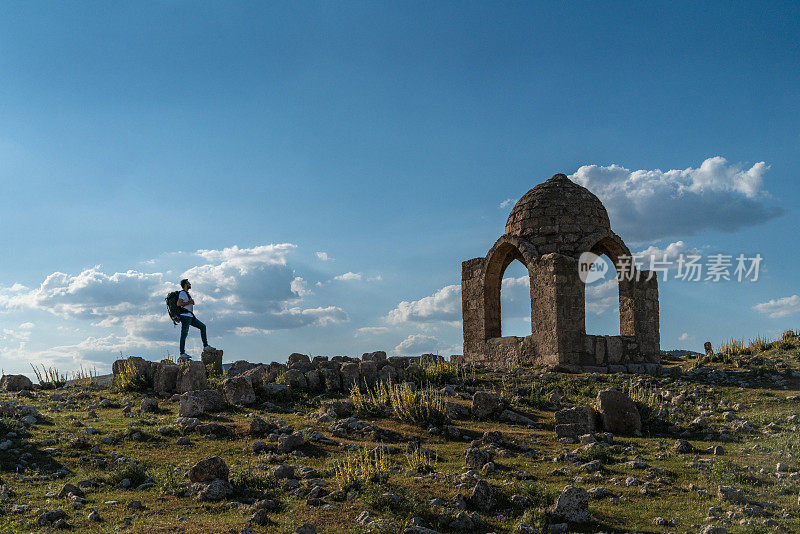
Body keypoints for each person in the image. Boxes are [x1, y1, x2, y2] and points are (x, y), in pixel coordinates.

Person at [176, 279, 214, 358]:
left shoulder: (186, 293)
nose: (190, 284)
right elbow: (179, 303)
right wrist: (189, 302)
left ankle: (205, 346)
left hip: (190, 316)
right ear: (186, 284)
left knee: (203, 327)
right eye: (188, 283)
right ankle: (182, 353)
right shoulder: (182, 293)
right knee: (184, 334)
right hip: (185, 316)